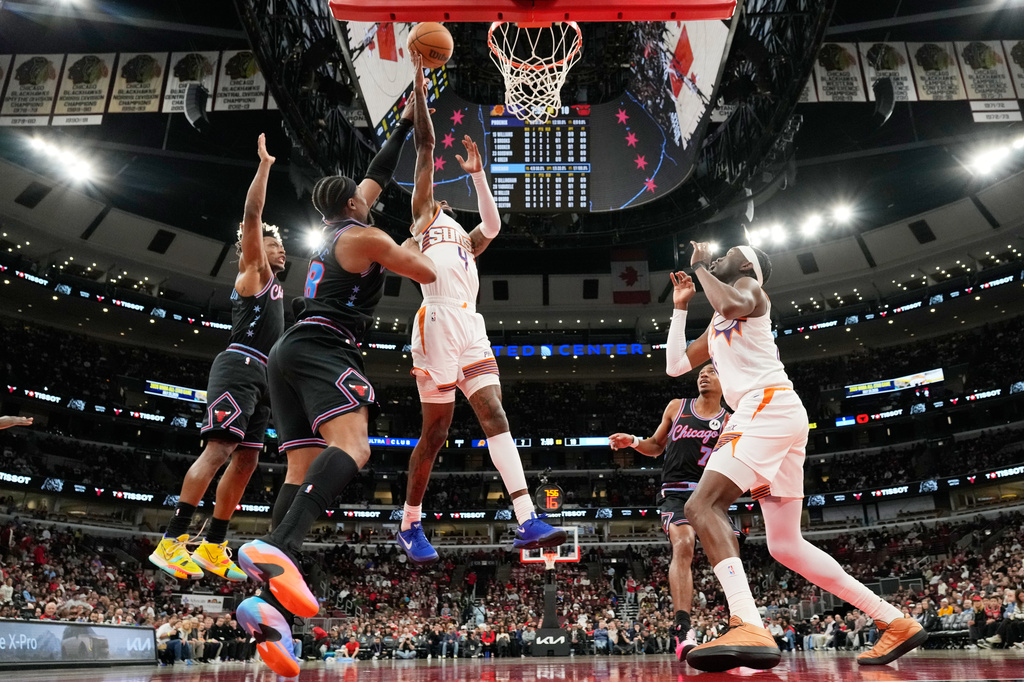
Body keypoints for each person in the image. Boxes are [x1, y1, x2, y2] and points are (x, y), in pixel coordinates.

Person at [234, 62, 436, 679]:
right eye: (365, 199)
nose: (371, 198)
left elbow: (377, 173)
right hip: (326, 346)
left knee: (299, 468)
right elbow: (424, 273)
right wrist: (423, 233)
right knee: (355, 448)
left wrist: (403, 127)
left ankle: (268, 615)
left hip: (288, 353)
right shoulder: (366, 239)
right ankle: (278, 551)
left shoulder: (333, 232)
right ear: (353, 205)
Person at [668, 243, 927, 672]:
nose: (717, 259)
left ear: (746, 265)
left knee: (702, 505)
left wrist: (699, 267)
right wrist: (681, 309)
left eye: (726, 254)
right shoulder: (717, 318)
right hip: (775, 413)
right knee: (785, 544)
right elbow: (675, 364)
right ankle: (893, 620)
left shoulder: (749, 288)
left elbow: (729, 299)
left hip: (764, 405)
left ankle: (747, 623)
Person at [394, 66, 564, 564]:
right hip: (437, 323)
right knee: (436, 432)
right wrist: (422, 97)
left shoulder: (467, 240)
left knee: (495, 412)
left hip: (471, 324)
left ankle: (528, 518)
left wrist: (479, 175)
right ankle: (409, 521)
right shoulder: (424, 219)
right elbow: (426, 149)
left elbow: (493, 223)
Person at [149, 134, 286, 582]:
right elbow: (252, 216)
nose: (280, 248)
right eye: (273, 243)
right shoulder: (253, 271)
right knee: (219, 450)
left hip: (261, 375)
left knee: (246, 461)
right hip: (239, 365)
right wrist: (264, 167)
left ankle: (213, 543)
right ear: (252, 249)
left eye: (281, 245)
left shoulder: (279, 286)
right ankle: (172, 540)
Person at [608, 363, 729, 661]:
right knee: (684, 544)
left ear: (727, 381)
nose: (703, 374)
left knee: (728, 556)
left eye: (712, 371)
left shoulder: (731, 420)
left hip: (709, 494)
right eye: (701, 371)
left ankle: (741, 622)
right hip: (675, 491)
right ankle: (683, 628)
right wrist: (633, 442)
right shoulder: (678, 407)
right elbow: (655, 446)